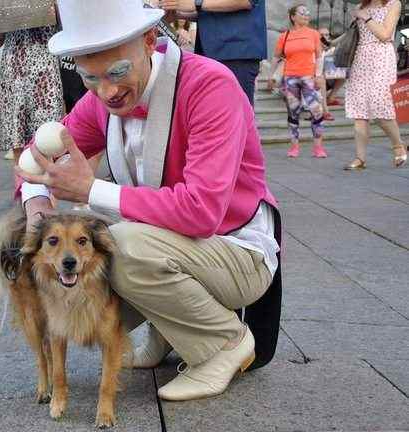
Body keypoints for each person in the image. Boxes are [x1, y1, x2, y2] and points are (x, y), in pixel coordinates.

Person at [16, 0, 282, 401]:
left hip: (238, 251)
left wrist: (90, 191)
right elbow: (33, 155)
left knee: (117, 246)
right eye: (90, 78)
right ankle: (166, 333)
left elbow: (201, 212)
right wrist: (37, 205)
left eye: (117, 72)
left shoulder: (210, 86)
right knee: (79, 255)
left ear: (150, 41)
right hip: (179, 245)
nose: (107, 91)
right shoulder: (100, 103)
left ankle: (223, 343)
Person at [0, 0, 65, 167]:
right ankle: (23, 190)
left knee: (49, 140)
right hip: (13, 71)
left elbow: (64, 19)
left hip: (45, 71)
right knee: (18, 146)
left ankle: (52, 192)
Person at [158, 0, 267, 105]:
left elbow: (246, 1)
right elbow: (212, 11)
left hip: (235, 53)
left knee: (235, 115)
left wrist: (195, 3)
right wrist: (178, 13)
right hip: (210, 53)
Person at [344, 0, 407, 170]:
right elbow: (352, 35)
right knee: (359, 110)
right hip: (360, 58)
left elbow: (385, 34)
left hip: (381, 56)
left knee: (380, 105)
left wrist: (366, 18)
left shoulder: (394, 4)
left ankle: (398, 145)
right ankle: (360, 158)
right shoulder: (360, 7)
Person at [269, 5, 327, 158]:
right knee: (293, 112)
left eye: (308, 13)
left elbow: (320, 56)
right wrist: (271, 76)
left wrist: (319, 75)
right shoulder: (285, 36)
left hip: (309, 77)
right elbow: (276, 58)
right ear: (293, 17)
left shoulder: (313, 34)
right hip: (290, 78)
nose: (306, 15)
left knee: (316, 110)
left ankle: (318, 148)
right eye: (302, 13)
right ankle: (294, 147)